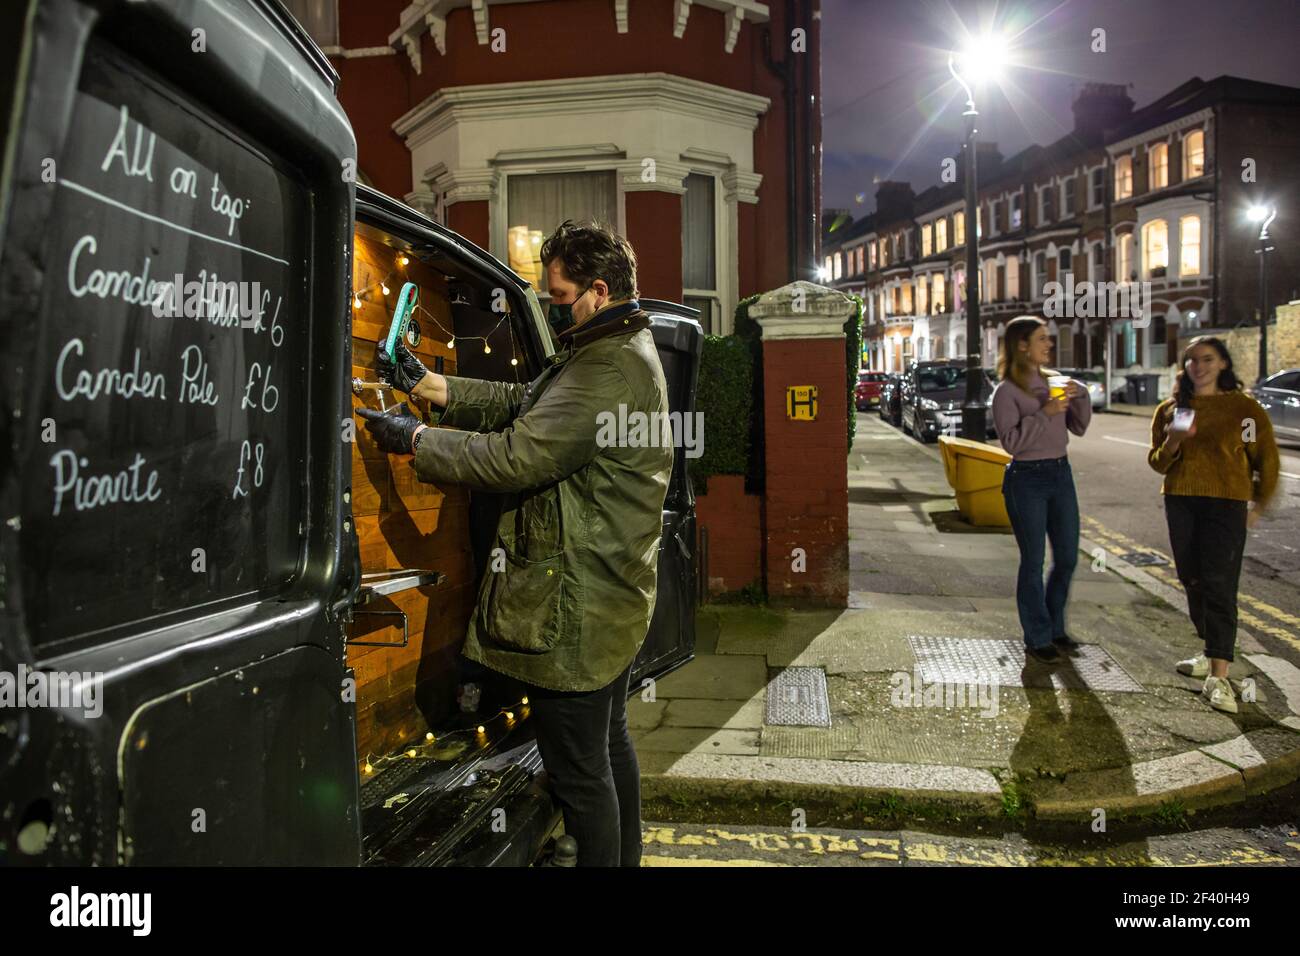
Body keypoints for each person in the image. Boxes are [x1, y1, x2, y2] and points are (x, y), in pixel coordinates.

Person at [356, 220, 673, 866]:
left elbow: (517, 455)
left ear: (600, 291)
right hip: (609, 601)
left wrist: (416, 441)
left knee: (582, 778)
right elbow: (526, 402)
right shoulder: (609, 345)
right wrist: (428, 386)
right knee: (608, 751)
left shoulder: (610, 368)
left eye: (558, 300)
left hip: (580, 615)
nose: (552, 313)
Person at [1148, 336, 1279, 714]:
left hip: (1226, 505)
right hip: (1181, 501)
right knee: (1192, 579)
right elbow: (1157, 462)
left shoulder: (1244, 411)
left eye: (1207, 359)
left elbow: (1263, 460)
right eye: (1191, 361)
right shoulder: (1172, 409)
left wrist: (1257, 504)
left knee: (1220, 583)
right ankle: (1211, 650)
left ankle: (1220, 676)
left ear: (1223, 363)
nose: (1198, 366)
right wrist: (1172, 442)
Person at [991, 316, 1092, 663]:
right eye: (1042, 339)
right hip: (1027, 479)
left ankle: (1055, 626)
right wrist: (1046, 412)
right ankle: (1038, 636)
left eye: (1048, 339)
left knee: (1067, 557)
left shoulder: (1054, 382)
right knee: (1033, 560)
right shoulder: (1006, 391)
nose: (1048, 345)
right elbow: (1012, 443)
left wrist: (1082, 396)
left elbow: (1078, 427)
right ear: (1022, 345)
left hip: (1061, 474)